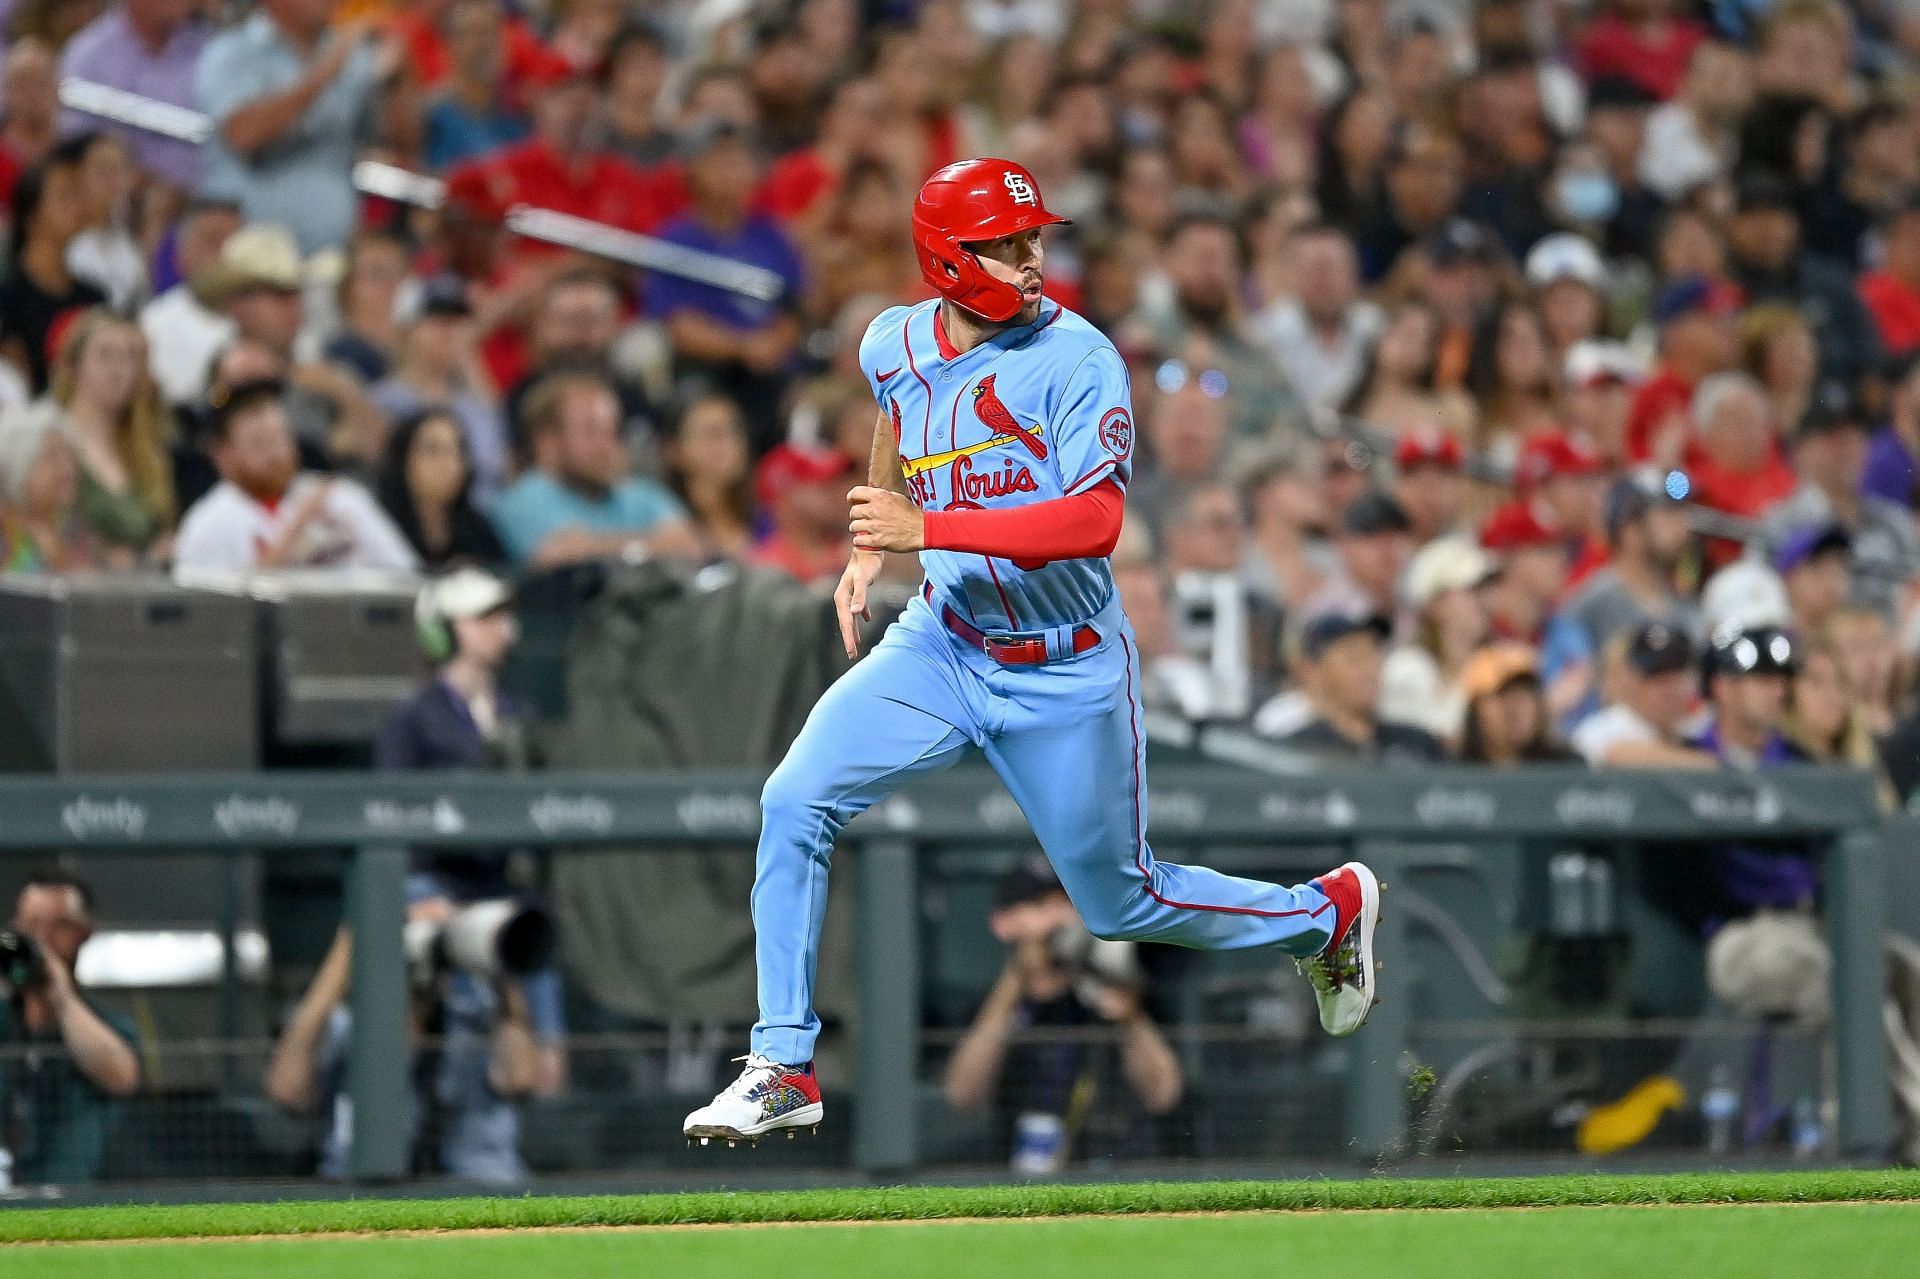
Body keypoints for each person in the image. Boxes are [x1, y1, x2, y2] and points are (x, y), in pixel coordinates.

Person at [683, 159, 1385, 1147]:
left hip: (1064, 663)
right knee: (793, 799)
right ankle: (782, 1063)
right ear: (944, 258)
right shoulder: (892, 339)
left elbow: (1095, 520)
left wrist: (926, 525)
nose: (1030, 260)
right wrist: (868, 547)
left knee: (1117, 901)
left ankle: (1327, 913)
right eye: (1005, 245)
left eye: (1035, 239)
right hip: (942, 640)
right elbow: (894, 412)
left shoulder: (1079, 358)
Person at [942, 859, 1183, 1170]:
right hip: (1017, 1182)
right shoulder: (993, 1001)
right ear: (1004, 923)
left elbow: (1164, 1093)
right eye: (1041, 905)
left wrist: (1128, 1015)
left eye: (1067, 903)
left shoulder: (1108, 988)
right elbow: (963, 1095)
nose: (1058, 917)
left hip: (1109, 1172)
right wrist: (1015, 984)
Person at [263, 924, 547, 1183]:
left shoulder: (476, 1021)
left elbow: (521, 1077)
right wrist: (350, 945)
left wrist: (496, 947)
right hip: (358, 1190)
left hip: (474, 1186)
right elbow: (286, 1090)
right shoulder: (347, 1027)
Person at [647, 119, 806, 449]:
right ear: (692, 171)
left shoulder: (771, 235)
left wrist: (773, 343)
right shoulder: (675, 240)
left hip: (772, 369)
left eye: (739, 159)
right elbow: (678, 325)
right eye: (717, 159)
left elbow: (796, 309)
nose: (730, 170)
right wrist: (745, 346)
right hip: (709, 372)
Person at [195, 0, 390, 254]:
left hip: (329, 251)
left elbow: (394, 140)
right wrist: (325, 72)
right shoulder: (232, 51)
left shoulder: (352, 53)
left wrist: (399, 78)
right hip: (243, 255)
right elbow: (243, 134)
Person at [172, 379, 418, 573]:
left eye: (280, 438)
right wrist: (298, 524)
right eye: (259, 443)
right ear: (223, 456)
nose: (276, 454)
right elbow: (206, 620)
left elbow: (405, 575)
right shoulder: (208, 523)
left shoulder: (341, 497)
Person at [0, 870, 141, 1185]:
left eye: (58, 926)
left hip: (73, 1193)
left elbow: (122, 1077)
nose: (41, 939)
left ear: (83, 933)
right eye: (30, 925)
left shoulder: (106, 1025)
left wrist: (60, 996)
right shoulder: (5, 1019)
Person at [489, 370, 698, 569]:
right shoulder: (526, 498)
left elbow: (692, 546)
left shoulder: (639, 492)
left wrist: (599, 546)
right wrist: (655, 544)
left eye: (612, 430)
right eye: (590, 431)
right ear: (547, 441)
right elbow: (562, 558)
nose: (607, 445)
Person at [370, 275, 510, 502]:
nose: (451, 332)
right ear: (407, 330)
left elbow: (501, 467)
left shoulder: (474, 400)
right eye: (438, 321)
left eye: (457, 323)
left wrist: (469, 359)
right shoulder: (384, 399)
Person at [46, 308, 175, 555]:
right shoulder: (52, 439)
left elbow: (162, 528)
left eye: (128, 357)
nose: (119, 368)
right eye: (105, 355)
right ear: (74, 367)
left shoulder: (146, 450)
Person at [58, 0, 208, 193]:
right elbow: (75, 151)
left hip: (202, 206)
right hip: (114, 206)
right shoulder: (87, 57)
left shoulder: (208, 49)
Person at [1275, 608, 1449, 763]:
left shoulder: (1417, 743)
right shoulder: (1297, 750)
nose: (1369, 669)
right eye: (1354, 658)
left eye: (1374, 653)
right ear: (1312, 670)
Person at [0, 146, 107, 395]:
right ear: (31, 214)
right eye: (65, 196)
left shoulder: (94, 297)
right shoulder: (7, 299)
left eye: (80, 196)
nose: (78, 206)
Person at [1561, 471, 1699, 655]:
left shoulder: (1685, 604)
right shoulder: (1590, 608)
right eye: (1669, 515)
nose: (1684, 528)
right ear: (1629, 530)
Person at [1382, 537, 1492, 745]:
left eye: (1485, 590)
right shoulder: (1406, 668)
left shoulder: (1495, 663)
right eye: (1471, 591)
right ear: (1435, 605)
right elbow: (1413, 747)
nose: (1483, 601)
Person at [137, 198, 240, 406]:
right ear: (181, 255)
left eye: (233, 241)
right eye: (211, 240)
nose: (223, 253)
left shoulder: (267, 312)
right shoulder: (155, 323)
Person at [374, 408, 506, 570]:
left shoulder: (477, 529)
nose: (449, 464)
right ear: (403, 459)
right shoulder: (379, 523)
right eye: (433, 451)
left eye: (457, 451)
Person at [1571, 622, 1716, 769]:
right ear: (1630, 681)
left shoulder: (1696, 728)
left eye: (1676, 676)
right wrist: (1716, 765)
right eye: (1655, 678)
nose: (1668, 689)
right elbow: (1617, 754)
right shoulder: (1605, 725)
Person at [0, 401, 113, 570]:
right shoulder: (4, 532)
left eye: (69, 455)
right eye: (52, 457)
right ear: (18, 468)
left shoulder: (74, 530)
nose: (68, 468)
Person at [663, 393, 753, 564]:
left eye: (734, 430)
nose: (727, 442)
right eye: (711, 433)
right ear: (674, 451)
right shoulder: (663, 522)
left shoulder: (769, 518)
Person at [750, 442, 856, 585]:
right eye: (824, 486)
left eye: (839, 483)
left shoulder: (860, 548)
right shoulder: (766, 567)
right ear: (787, 496)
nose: (841, 493)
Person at [1457, 643, 1580, 765]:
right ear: (1477, 708)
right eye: (1502, 693)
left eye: (1525, 693)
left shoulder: (1566, 768)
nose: (1515, 706)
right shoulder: (1452, 772)